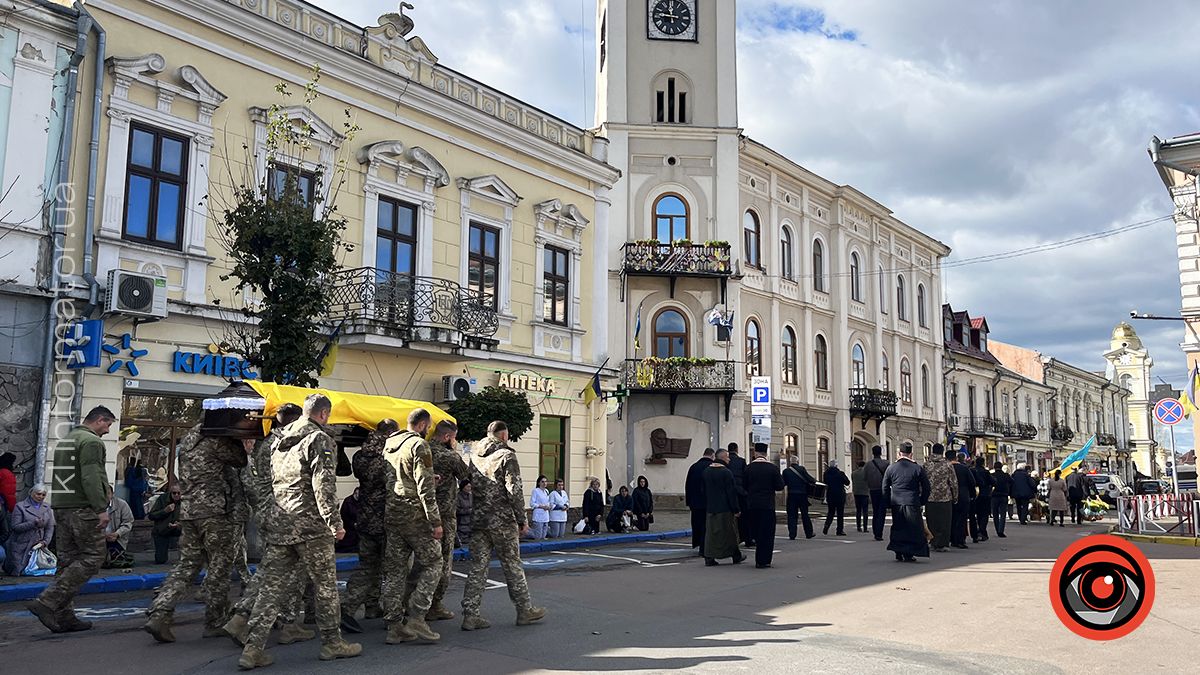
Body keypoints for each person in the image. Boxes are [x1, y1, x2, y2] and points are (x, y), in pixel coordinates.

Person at [237, 394, 360, 669]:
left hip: (282, 522)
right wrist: (335, 523)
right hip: (311, 526)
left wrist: (268, 515)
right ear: (324, 414)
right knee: (325, 587)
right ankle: (332, 643)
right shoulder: (319, 439)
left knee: (271, 587)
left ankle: (252, 648)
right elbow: (323, 486)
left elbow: (266, 482)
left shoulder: (279, 441)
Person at [143, 421, 249, 643]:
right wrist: (237, 438)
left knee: (187, 564)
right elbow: (241, 460)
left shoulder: (190, 438)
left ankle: (161, 611)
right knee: (220, 566)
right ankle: (215, 621)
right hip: (214, 512)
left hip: (190, 511)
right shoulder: (216, 440)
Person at [224, 404, 310, 647]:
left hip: (267, 514)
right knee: (291, 572)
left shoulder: (265, 445)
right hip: (289, 515)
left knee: (268, 570)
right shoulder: (292, 443)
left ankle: (241, 617)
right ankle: (288, 623)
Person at [29, 406, 115, 634]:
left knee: (67, 561)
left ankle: (64, 617)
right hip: (83, 508)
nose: (107, 431)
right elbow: (91, 476)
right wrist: (101, 508)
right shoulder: (92, 442)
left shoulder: (67, 439)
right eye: (108, 425)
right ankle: (47, 601)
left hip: (62, 507)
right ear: (99, 420)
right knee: (94, 556)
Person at [461, 420, 545, 631]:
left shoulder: (474, 455)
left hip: (480, 519)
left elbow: (468, 483)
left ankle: (470, 615)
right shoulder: (507, 456)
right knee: (512, 565)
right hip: (502, 520)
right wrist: (521, 520)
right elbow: (513, 490)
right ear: (504, 436)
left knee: (477, 568)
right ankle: (524, 610)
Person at [381, 408, 443, 645]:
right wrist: (435, 521)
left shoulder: (390, 443)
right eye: (428, 427)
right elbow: (425, 488)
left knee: (395, 570)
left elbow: (394, 477)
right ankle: (417, 615)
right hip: (415, 515)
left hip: (393, 512)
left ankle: (394, 625)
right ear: (423, 425)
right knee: (434, 561)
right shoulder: (419, 445)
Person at [341, 419, 395, 632]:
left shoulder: (359, 456)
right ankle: (347, 608)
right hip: (383, 518)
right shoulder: (388, 457)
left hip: (364, 517)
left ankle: (373, 605)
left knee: (369, 564)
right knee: (389, 569)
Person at [428, 419, 468, 622]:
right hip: (444, 516)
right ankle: (434, 605)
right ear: (446, 437)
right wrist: (453, 450)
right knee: (443, 562)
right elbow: (465, 475)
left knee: (422, 562)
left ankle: (411, 603)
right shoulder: (449, 456)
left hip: (422, 514)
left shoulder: (422, 450)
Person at [882, 444, 931, 562]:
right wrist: (922, 501)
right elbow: (927, 487)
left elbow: (884, 487)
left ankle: (898, 550)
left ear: (899, 454)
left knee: (898, 527)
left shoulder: (891, 468)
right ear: (911, 454)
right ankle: (909, 553)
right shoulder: (917, 468)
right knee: (912, 529)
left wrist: (888, 502)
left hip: (897, 502)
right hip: (912, 501)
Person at [703, 449, 744, 566]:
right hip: (725, 508)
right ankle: (736, 555)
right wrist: (736, 509)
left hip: (711, 507)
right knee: (730, 533)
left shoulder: (707, 471)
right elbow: (731, 492)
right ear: (722, 458)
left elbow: (703, 490)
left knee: (711, 534)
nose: (729, 459)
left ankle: (709, 556)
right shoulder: (726, 472)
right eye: (727, 457)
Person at [744, 447, 784, 568]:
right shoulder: (772, 468)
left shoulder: (748, 468)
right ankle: (764, 560)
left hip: (752, 504)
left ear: (755, 454)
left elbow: (744, 485)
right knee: (767, 533)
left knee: (756, 531)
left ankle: (758, 556)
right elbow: (779, 486)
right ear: (765, 454)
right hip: (767, 505)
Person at [7, 484, 54, 575]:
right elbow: (15, 527)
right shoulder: (20, 506)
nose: (41, 497)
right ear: (31, 493)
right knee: (19, 571)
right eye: (38, 494)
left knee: (39, 571)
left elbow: (50, 527)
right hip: (21, 545)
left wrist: (45, 542)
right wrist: (32, 523)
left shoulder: (47, 507)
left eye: (43, 495)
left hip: (39, 545)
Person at [922, 447, 957, 551]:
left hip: (930, 498)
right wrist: (955, 497)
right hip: (945, 498)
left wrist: (922, 497)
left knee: (931, 521)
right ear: (942, 452)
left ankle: (933, 542)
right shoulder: (948, 465)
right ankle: (943, 544)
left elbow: (922, 482)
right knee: (944, 522)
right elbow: (953, 482)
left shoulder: (926, 465)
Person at [685, 449, 715, 554]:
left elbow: (687, 485)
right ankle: (704, 547)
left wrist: (688, 501)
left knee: (697, 524)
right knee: (706, 526)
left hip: (695, 502)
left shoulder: (693, 467)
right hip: (708, 502)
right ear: (712, 455)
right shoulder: (712, 466)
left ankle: (697, 543)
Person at [782, 455, 816, 540]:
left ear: (790, 462)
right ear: (797, 462)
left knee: (791, 515)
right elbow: (810, 479)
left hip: (791, 495)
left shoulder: (786, 471)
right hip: (802, 495)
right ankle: (809, 533)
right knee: (805, 515)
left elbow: (783, 483)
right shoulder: (802, 469)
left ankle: (792, 534)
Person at [147, 485, 182, 565]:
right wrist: (165, 511)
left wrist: (180, 524)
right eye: (174, 493)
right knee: (161, 560)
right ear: (170, 493)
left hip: (179, 529)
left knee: (188, 534)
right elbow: (151, 516)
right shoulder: (162, 499)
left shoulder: (185, 501)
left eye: (178, 493)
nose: (176, 495)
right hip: (162, 530)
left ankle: (184, 558)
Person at [948, 450, 975, 551]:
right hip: (963, 496)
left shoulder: (946, 468)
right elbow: (972, 482)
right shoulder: (964, 468)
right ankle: (960, 540)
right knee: (962, 518)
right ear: (956, 458)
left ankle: (951, 538)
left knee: (951, 518)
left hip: (949, 496)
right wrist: (972, 495)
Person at [103, 487, 135, 569]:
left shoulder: (122, 504)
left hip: (117, 538)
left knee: (113, 558)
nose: (105, 496)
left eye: (108, 494)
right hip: (100, 538)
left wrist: (118, 534)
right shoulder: (94, 506)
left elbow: (128, 522)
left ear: (112, 494)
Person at [727, 443, 752, 547]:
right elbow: (746, 476)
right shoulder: (741, 461)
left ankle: (732, 540)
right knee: (745, 516)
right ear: (737, 449)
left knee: (730, 517)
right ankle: (747, 539)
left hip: (729, 492)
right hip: (741, 492)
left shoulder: (726, 461)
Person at [863, 446, 889, 541]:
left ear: (872, 453)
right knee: (882, 512)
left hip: (873, 490)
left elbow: (865, 478)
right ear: (881, 452)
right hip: (883, 490)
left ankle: (875, 532)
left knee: (875, 511)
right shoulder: (886, 463)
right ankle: (879, 533)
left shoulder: (868, 465)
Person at [970, 457, 995, 542]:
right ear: (983, 463)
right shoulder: (985, 472)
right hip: (985, 495)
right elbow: (993, 482)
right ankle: (982, 531)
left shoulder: (971, 471)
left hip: (974, 495)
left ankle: (975, 533)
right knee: (984, 514)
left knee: (974, 514)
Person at [822, 460, 849, 536]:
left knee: (830, 512)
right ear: (836, 466)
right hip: (840, 495)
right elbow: (847, 482)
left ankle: (827, 525)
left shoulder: (826, 474)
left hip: (830, 495)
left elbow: (825, 482)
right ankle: (839, 530)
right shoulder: (840, 473)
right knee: (840, 513)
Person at [336, 488, 362, 554]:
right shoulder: (348, 502)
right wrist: (353, 524)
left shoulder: (362, 501)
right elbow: (344, 516)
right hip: (349, 527)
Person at [991, 462, 1012, 538]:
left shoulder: (992, 475)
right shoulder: (1006, 475)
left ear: (994, 467)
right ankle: (1001, 530)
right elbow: (1012, 482)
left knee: (995, 514)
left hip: (994, 496)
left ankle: (997, 530)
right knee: (1003, 514)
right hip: (1004, 496)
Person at [529, 475, 551, 540]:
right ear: (539, 483)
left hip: (545, 515)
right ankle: (526, 532)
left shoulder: (546, 491)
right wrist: (541, 506)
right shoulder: (535, 491)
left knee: (543, 536)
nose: (544, 483)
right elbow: (532, 504)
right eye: (542, 482)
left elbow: (548, 501)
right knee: (537, 536)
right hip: (538, 515)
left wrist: (548, 506)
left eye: (546, 482)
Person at [851, 461, 870, 533]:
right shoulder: (866, 473)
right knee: (865, 511)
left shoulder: (854, 473)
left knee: (858, 510)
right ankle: (865, 527)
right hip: (865, 493)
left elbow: (853, 481)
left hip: (856, 493)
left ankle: (858, 526)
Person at [456, 480, 473, 547]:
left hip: (471, 521)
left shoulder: (471, 496)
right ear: (463, 487)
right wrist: (468, 511)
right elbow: (456, 509)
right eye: (467, 487)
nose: (469, 488)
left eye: (470, 487)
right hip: (461, 522)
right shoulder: (458, 496)